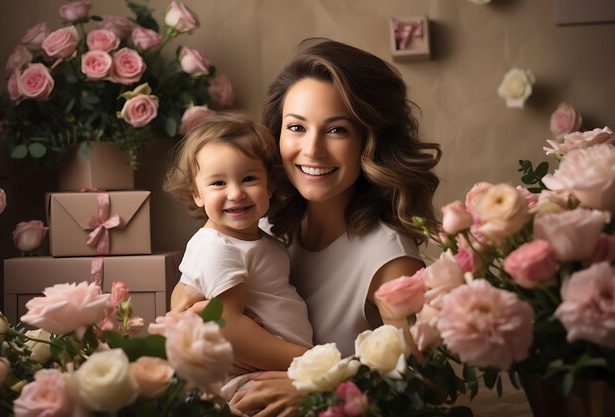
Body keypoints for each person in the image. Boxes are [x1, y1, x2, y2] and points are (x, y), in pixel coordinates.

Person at [175, 38, 442, 416]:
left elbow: (427, 385)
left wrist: (324, 383)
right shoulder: (262, 223)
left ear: (369, 141)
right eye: (296, 127)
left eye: (336, 130)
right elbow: (203, 312)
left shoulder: (389, 260)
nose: (312, 149)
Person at [163, 112, 313, 399]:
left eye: (248, 178)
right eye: (218, 183)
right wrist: (307, 361)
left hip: (270, 371)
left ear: (270, 186)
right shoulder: (218, 248)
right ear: (196, 193)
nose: (235, 193)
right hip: (251, 379)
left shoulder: (260, 241)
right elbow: (228, 323)